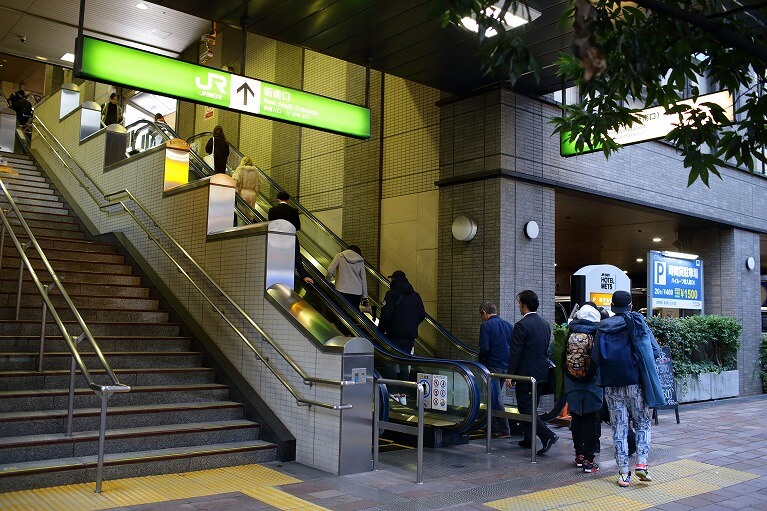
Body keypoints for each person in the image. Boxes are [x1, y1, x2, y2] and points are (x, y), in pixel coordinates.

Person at [594, 290, 664, 487]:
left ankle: (624, 473)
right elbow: (656, 352)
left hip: (611, 386)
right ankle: (641, 463)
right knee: (642, 423)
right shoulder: (637, 323)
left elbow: (596, 357)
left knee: (619, 428)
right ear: (630, 306)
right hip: (636, 385)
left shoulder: (603, 326)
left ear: (612, 306)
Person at [506, 290, 558, 455]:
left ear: (525, 305)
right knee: (531, 407)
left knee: (526, 409)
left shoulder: (521, 325)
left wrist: (510, 375)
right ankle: (529, 439)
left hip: (525, 374)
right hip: (541, 373)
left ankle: (548, 435)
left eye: (519, 303)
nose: (519, 306)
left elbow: (515, 352)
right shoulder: (545, 324)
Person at [563, 302, 603, 473]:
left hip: (571, 383)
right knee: (591, 420)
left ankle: (579, 455)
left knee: (577, 419)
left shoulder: (569, 331)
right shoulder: (598, 333)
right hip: (592, 385)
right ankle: (589, 459)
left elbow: (554, 353)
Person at [379, 270, 426, 401]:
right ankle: (404, 394)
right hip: (410, 336)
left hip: (394, 335)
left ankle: (394, 393)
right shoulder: (415, 295)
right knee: (405, 363)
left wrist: (380, 331)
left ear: (393, 279)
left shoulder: (391, 294)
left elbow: (385, 316)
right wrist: (412, 325)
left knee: (390, 362)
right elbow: (422, 314)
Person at [478, 301, 513, 438]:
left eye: (481, 315)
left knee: (496, 398)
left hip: (492, 365)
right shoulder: (508, 325)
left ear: (484, 313)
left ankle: (504, 429)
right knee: (495, 397)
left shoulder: (486, 326)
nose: (482, 318)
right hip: (506, 366)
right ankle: (494, 428)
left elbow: (484, 348)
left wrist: (481, 361)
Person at [268, 191, 313, 285]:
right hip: (290, 237)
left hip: (275, 238)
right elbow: (297, 226)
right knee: (296, 254)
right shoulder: (293, 210)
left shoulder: (272, 210)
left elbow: (270, 224)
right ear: (288, 200)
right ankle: (303, 275)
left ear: (278, 199)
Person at [326, 245, 368, 310]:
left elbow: (330, 270)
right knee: (353, 314)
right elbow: (363, 279)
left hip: (341, 290)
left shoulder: (340, 256)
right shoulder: (360, 260)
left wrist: (328, 281)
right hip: (356, 293)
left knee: (340, 312)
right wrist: (365, 297)